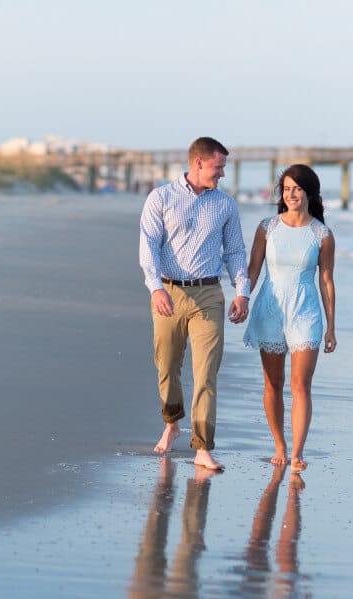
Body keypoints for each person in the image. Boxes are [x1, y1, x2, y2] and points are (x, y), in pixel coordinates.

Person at [137, 136, 250, 471]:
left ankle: (202, 446)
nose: (222, 174)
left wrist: (242, 291)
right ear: (198, 163)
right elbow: (148, 247)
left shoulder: (225, 205)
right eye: (218, 167)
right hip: (169, 293)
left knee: (206, 374)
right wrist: (155, 289)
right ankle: (172, 423)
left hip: (209, 296)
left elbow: (235, 252)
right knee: (167, 366)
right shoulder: (161, 198)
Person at [242, 164, 337, 472]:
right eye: (286, 189)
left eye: (297, 188)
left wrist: (331, 327)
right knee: (273, 383)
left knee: (301, 385)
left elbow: (326, 281)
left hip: (306, 312)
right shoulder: (267, 227)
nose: (291, 194)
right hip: (270, 308)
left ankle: (297, 452)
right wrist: (241, 298)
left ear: (309, 192)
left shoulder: (321, 234)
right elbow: (253, 270)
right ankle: (279, 445)